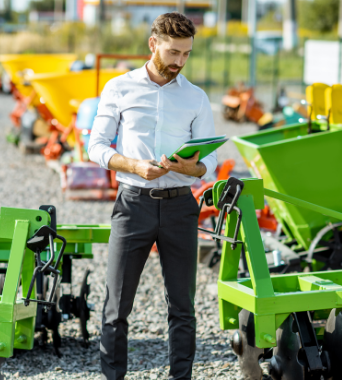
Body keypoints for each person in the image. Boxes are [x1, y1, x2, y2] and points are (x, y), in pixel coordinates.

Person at [88, 12, 217, 380]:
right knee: (116, 307)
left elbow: (210, 159)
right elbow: (95, 147)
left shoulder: (196, 97)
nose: (179, 61)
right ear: (153, 44)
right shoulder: (119, 88)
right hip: (133, 205)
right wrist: (132, 165)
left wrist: (190, 168)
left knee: (183, 308)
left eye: (186, 54)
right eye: (173, 52)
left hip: (180, 206)